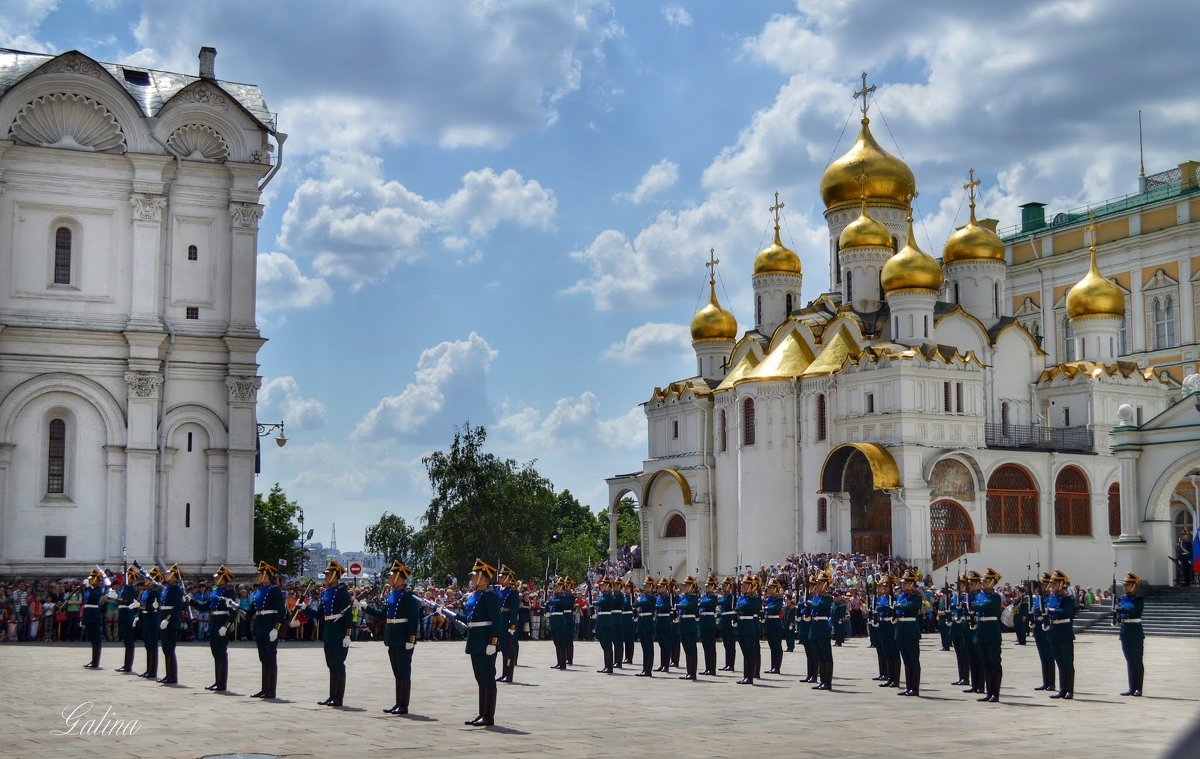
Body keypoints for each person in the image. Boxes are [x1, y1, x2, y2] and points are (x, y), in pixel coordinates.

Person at [364, 559, 420, 714]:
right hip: (392, 636)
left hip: (403, 637)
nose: (389, 578)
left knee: (404, 672)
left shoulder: (409, 596)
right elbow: (383, 615)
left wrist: (411, 639)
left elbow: (413, 619)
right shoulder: (392, 594)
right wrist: (366, 608)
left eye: (391, 575)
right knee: (397, 672)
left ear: (399, 577)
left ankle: (403, 705)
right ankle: (398, 703)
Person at [463, 558, 503, 727]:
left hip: (485, 640)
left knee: (488, 678)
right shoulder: (474, 595)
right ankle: (481, 713)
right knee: (480, 678)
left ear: (481, 577)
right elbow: (469, 619)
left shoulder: (490, 595)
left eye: (474, 576)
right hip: (475, 639)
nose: (472, 579)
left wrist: (493, 642)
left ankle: (488, 716)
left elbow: (497, 620)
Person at [190, 565, 236, 692]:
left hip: (222, 622)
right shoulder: (215, 591)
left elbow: (234, 612)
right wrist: (191, 601)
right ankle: (217, 681)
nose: (215, 580)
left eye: (218, 578)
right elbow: (205, 606)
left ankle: (222, 683)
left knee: (221, 653)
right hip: (214, 622)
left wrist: (226, 626)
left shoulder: (229, 591)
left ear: (223, 579)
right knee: (215, 653)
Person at [248, 560, 286, 700]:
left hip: (270, 627)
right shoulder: (259, 591)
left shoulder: (274, 590)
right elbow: (251, 610)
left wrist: (276, 628)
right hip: (260, 626)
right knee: (263, 659)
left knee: (271, 658)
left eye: (260, 574)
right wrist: (234, 606)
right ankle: (264, 689)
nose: (258, 576)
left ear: (266, 575)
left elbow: (281, 611)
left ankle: (271, 690)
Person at [972, 567, 1004, 703]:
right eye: (982, 581)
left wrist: (973, 605)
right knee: (986, 663)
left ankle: (995, 693)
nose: (982, 583)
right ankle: (988, 692)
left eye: (985, 581)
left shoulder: (995, 597)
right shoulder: (980, 596)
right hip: (981, 631)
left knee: (994, 663)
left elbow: (983, 607)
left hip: (991, 632)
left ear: (992, 582)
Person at [1045, 568, 1076, 700]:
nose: (1051, 585)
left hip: (1064, 631)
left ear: (1061, 584)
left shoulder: (1067, 599)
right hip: (1053, 632)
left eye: (1054, 583)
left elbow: (1065, 612)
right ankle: (1062, 689)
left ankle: (1069, 690)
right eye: (1051, 583)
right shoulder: (1051, 598)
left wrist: (1050, 610)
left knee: (1067, 662)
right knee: (1059, 662)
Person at [1115, 571, 1145, 697]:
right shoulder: (1121, 599)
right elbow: (1120, 614)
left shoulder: (1138, 599)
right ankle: (1131, 688)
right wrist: (1116, 617)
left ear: (1134, 585)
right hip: (1125, 631)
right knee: (1129, 660)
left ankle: (1138, 688)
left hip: (1135, 630)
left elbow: (1132, 609)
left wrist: (1119, 609)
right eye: (1124, 584)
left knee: (1137, 660)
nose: (1125, 587)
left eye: (1127, 584)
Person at [894, 568, 922, 697]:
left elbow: (912, 607)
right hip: (901, 629)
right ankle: (908, 686)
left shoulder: (916, 596)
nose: (902, 585)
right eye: (902, 583)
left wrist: (898, 606)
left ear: (911, 583)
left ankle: (914, 688)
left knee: (913, 660)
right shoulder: (901, 596)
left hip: (911, 629)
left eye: (905, 583)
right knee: (906, 659)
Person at [157, 563, 185, 685]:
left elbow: (177, 607)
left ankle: (172, 676)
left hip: (170, 621)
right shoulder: (168, 587)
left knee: (169, 649)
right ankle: (168, 674)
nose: (166, 575)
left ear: (174, 576)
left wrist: (167, 619)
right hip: (164, 618)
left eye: (168, 573)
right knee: (165, 649)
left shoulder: (175, 588)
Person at [808, 570, 835, 691]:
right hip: (814, 626)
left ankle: (827, 682)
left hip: (823, 626)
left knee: (826, 656)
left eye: (819, 583)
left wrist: (809, 603)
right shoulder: (815, 597)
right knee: (819, 656)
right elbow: (809, 609)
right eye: (817, 584)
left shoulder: (828, 597)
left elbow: (819, 606)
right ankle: (822, 681)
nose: (817, 586)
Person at [1030, 571, 1056, 692]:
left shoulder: (1050, 597)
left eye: (1044, 584)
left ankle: (1051, 683)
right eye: (1041, 584)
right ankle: (1045, 682)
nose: (1041, 586)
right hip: (1038, 627)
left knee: (1049, 656)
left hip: (1046, 627)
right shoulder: (1037, 598)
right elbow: (1034, 611)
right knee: (1043, 656)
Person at [734, 573, 761, 685]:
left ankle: (750, 676)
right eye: (742, 585)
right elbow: (737, 606)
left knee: (750, 653)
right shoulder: (741, 598)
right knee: (745, 653)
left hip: (749, 626)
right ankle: (745, 675)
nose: (742, 587)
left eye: (745, 585)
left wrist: (739, 606)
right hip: (741, 626)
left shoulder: (753, 599)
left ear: (750, 586)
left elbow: (742, 606)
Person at [496, 566, 521, 683]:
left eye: (502, 577)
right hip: (500, 621)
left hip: (507, 621)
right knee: (503, 649)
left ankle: (509, 674)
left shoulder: (513, 592)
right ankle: (503, 673)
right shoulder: (498, 590)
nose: (500, 578)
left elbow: (514, 610)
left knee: (509, 650)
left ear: (508, 578)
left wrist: (513, 625)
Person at [114, 566, 141, 674]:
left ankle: (128, 665)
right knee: (126, 641)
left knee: (129, 642)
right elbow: (120, 602)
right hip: (123, 615)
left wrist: (118, 598)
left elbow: (127, 601)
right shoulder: (125, 588)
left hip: (128, 616)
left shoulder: (130, 588)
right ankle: (126, 664)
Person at [874, 574, 899, 689]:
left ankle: (895, 679)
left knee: (893, 653)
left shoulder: (893, 598)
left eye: (886, 586)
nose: (883, 588)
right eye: (883, 586)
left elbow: (892, 608)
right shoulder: (882, 598)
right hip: (882, 624)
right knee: (886, 652)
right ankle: (890, 677)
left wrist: (880, 608)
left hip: (890, 624)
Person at [138, 567, 162, 679]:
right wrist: (140, 607)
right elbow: (143, 605)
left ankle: (153, 671)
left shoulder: (155, 592)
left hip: (152, 619)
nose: (145, 581)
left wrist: (143, 607)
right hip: (146, 619)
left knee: (153, 646)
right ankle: (148, 669)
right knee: (147, 646)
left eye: (147, 580)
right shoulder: (146, 592)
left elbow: (154, 607)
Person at [676, 576, 700, 681]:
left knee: (692, 650)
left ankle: (693, 672)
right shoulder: (682, 597)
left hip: (690, 625)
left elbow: (688, 606)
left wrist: (677, 605)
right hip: (683, 625)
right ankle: (688, 671)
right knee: (686, 650)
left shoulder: (693, 597)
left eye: (686, 585)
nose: (684, 587)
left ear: (691, 586)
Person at [81, 568, 106, 669]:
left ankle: (96, 662)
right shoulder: (89, 589)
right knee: (92, 639)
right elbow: (86, 602)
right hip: (88, 615)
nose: (90, 580)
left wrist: (89, 587)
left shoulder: (98, 589)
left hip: (94, 616)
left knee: (96, 640)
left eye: (92, 579)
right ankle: (93, 660)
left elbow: (95, 597)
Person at [594, 576, 618, 674]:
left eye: (603, 585)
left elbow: (601, 602)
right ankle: (606, 666)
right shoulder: (602, 595)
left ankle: (609, 667)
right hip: (600, 621)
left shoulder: (610, 596)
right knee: (604, 645)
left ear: (608, 586)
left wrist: (597, 601)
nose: (601, 587)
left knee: (608, 645)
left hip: (607, 621)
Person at [634, 577, 657, 676]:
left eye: (646, 586)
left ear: (651, 587)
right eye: (643, 586)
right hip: (642, 622)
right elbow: (635, 604)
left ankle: (648, 670)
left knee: (649, 648)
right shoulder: (642, 597)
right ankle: (644, 669)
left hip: (648, 623)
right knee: (644, 648)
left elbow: (639, 603)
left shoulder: (652, 598)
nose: (644, 587)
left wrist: (638, 601)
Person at [762, 578, 785, 674]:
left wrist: (765, 607)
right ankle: (773, 666)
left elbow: (775, 607)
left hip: (776, 623)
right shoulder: (767, 598)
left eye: (770, 588)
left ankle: (777, 667)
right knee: (772, 646)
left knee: (777, 646)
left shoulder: (779, 599)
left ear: (775, 589)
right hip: (769, 623)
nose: (768, 590)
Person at [698, 576, 719, 676]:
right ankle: (707, 668)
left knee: (711, 647)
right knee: (705, 647)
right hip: (703, 623)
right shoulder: (703, 597)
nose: (705, 588)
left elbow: (705, 603)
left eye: (708, 586)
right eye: (705, 586)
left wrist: (700, 602)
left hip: (710, 623)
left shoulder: (713, 597)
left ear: (712, 587)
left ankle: (712, 668)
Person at [653, 578, 673, 673]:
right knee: (661, 645)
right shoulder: (658, 598)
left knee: (666, 645)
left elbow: (666, 607)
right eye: (658, 587)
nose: (659, 589)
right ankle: (662, 664)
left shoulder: (669, 598)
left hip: (666, 621)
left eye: (661, 587)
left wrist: (655, 607)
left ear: (665, 588)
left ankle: (666, 665)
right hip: (659, 621)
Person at [718, 577, 737, 672]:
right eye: (723, 585)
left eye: (725, 585)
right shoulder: (723, 596)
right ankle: (727, 664)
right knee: (726, 645)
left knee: (731, 644)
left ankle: (731, 665)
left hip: (729, 622)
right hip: (723, 621)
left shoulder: (731, 597)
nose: (723, 587)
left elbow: (724, 603)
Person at [620, 580, 637, 666]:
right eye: (625, 588)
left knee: (629, 640)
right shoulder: (624, 596)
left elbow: (631, 606)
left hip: (629, 620)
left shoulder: (632, 597)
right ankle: (626, 657)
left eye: (627, 588)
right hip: (623, 619)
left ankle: (629, 657)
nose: (625, 589)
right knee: (626, 640)